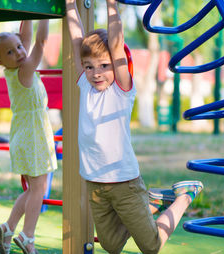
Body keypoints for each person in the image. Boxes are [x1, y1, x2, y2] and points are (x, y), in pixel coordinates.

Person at [65, 0, 203, 253]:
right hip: (95, 184)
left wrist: (111, 5)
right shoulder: (84, 84)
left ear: (116, 66)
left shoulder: (120, 90)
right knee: (110, 245)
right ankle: (151, 201)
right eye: (90, 67)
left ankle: (185, 194)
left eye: (104, 66)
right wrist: (70, 5)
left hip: (124, 183)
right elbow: (76, 42)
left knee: (150, 246)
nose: (96, 73)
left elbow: (116, 45)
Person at [0, 19, 57, 254]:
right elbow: (41, 42)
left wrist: (29, 17)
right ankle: (28, 236)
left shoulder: (14, 69)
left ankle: (8, 227)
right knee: (38, 189)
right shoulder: (24, 71)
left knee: (32, 188)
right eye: (10, 52)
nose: (19, 52)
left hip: (24, 134)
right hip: (34, 136)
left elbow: (26, 41)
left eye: (19, 47)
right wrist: (44, 15)